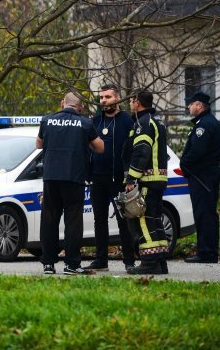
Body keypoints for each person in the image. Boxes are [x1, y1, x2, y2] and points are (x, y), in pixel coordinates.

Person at [36, 92, 104, 275]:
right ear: (80, 107)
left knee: (49, 220)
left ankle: (48, 264)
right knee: (73, 221)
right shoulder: (85, 123)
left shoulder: (47, 120)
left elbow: (39, 144)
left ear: (62, 104)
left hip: (51, 177)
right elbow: (100, 148)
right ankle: (72, 264)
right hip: (74, 177)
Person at [85, 84, 136, 272]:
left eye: (108, 97)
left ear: (117, 98)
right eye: (101, 98)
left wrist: (130, 176)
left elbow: (133, 150)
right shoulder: (95, 121)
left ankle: (129, 260)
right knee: (99, 220)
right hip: (97, 178)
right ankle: (101, 260)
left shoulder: (127, 121)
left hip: (119, 179)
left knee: (124, 219)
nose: (104, 101)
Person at [125, 90, 170, 275]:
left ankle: (149, 262)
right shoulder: (156, 121)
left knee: (143, 220)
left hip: (147, 181)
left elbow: (141, 153)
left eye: (131, 101)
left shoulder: (143, 124)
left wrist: (131, 178)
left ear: (137, 102)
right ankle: (160, 263)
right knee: (155, 220)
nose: (130, 104)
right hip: (158, 180)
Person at [180, 92, 220, 264]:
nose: (189, 107)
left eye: (191, 104)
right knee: (207, 213)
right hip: (206, 175)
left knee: (204, 214)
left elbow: (198, 152)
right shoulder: (208, 122)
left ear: (199, 106)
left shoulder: (204, 125)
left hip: (203, 176)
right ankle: (208, 251)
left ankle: (206, 253)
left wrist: (184, 163)